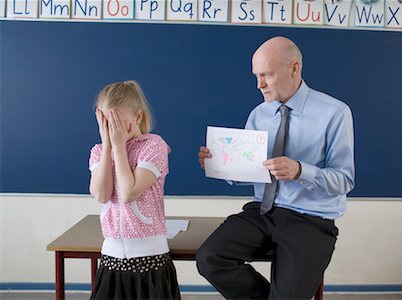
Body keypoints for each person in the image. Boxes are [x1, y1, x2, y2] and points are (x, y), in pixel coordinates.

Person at [196, 36, 355, 299]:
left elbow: (345, 180)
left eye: (267, 75)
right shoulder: (259, 114)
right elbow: (250, 169)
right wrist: (220, 164)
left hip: (311, 220)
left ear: (294, 68)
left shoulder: (335, 113)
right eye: (256, 75)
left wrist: (300, 171)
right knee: (209, 258)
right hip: (263, 211)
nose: (259, 84)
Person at [88, 80, 180, 299]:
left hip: (150, 260)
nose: (114, 130)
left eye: (119, 123)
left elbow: (129, 193)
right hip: (111, 259)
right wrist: (109, 146)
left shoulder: (153, 146)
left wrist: (119, 147)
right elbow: (101, 194)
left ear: (138, 117)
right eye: (108, 123)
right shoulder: (99, 151)